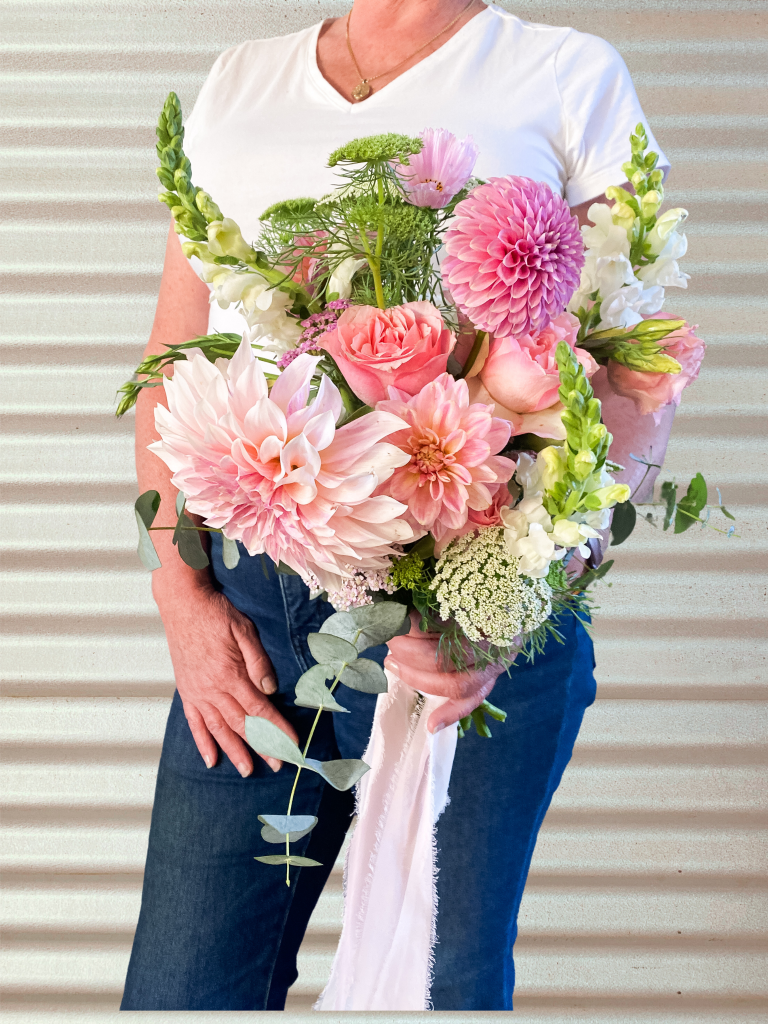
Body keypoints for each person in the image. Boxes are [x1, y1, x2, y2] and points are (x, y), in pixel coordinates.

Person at [120, 0, 675, 1010]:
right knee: (183, 993)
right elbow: (170, 360)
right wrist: (181, 595)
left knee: (436, 992)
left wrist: (505, 613)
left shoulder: (565, 73)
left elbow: (635, 382)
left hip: (471, 615)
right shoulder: (238, 82)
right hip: (250, 620)